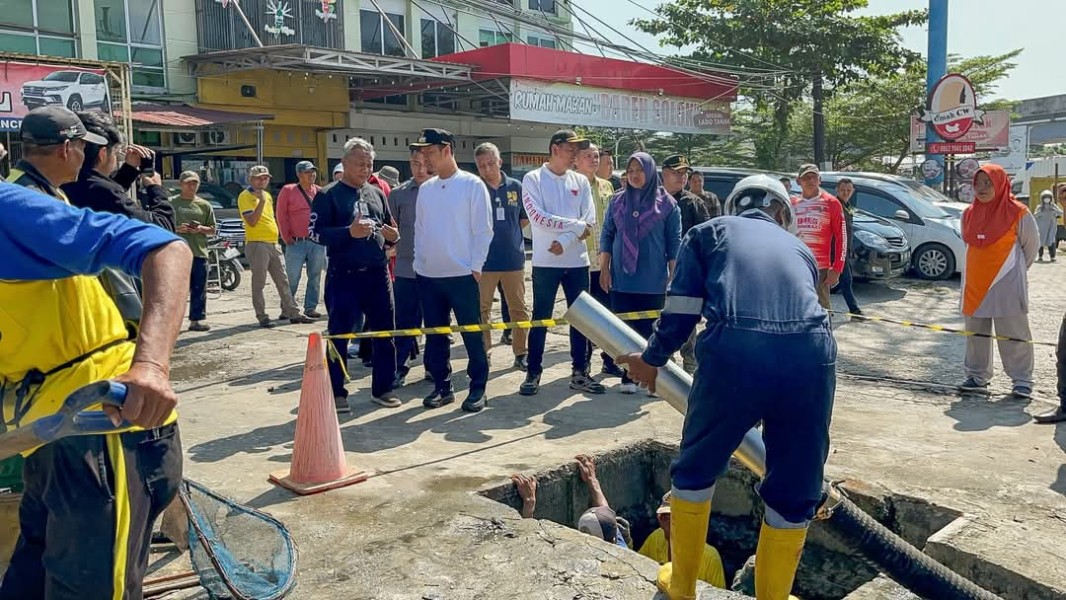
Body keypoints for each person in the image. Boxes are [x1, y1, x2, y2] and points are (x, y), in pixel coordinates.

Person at [616, 175, 836, 600]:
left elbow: (681, 310)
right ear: (782, 215)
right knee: (794, 486)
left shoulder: (708, 233)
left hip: (736, 352)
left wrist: (652, 360)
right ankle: (772, 595)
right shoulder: (801, 250)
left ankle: (681, 587)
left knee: (696, 471)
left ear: (733, 207)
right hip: (812, 357)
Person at [0, 181, 190, 600]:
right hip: (41, 429)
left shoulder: (9, 210)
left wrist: (152, 365)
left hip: (105, 424)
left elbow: (166, 249)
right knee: (30, 579)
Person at [310, 138, 401, 412]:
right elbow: (315, 233)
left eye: (369, 164)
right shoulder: (328, 195)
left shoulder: (377, 193)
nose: (365, 168)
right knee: (340, 335)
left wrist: (393, 236)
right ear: (345, 163)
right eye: (360, 163)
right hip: (344, 276)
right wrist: (347, 233)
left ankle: (383, 389)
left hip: (377, 274)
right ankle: (337, 392)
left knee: (386, 333)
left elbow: (389, 226)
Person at [412, 128, 494, 413]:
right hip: (429, 276)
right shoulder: (426, 189)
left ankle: (478, 387)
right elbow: (420, 231)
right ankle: (442, 386)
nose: (426, 160)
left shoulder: (471, 185)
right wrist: (418, 263)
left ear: (447, 150)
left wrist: (475, 267)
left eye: (431, 153)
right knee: (435, 336)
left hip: (462, 275)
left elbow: (483, 230)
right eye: (423, 154)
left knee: (472, 335)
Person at [520, 130, 606, 397]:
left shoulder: (580, 181)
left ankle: (581, 372)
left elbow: (589, 221)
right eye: (571, 150)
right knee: (541, 318)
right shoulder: (533, 178)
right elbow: (537, 217)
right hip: (546, 262)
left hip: (576, 261)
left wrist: (567, 240)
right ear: (556, 149)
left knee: (581, 319)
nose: (575, 155)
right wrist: (575, 227)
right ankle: (533, 372)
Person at [601, 153, 682, 394]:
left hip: (653, 277)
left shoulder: (667, 204)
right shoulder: (617, 201)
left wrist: (673, 275)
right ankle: (628, 376)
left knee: (651, 329)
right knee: (624, 328)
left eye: (640, 170)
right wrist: (604, 268)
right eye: (631, 170)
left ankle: (651, 379)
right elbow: (607, 234)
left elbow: (674, 242)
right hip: (622, 277)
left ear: (650, 171)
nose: (635, 175)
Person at [958, 164, 1039, 398]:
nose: (981, 188)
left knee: (1014, 332)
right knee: (975, 334)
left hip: (1007, 283)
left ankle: (1021, 381)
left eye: (988, 183)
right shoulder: (968, 213)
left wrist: (1017, 272)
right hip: (975, 284)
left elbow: (1030, 247)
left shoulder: (1019, 212)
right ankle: (976, 377)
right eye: (978, 183)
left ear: (1000, 184)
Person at [59, 111, 174, 231]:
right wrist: (155, 188)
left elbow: (106, 201)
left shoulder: (60, 179)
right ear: (103, 154)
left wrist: (129, 169)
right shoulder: (101, 189)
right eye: (115, 152)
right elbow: (163, 226)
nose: (116, 158)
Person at [474, 142, 530, 371]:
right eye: (481, 166)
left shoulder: (516, 186)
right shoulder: (475, 188)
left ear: (500, 162)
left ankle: (521, 352)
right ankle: (484, 353)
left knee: (518, 308)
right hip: (483, 262)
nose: (487, 169)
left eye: (490, 163)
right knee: (482, 309)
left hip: (512, 260)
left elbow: (524, 218)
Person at [238, 165, 312, 328]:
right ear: (251, 180)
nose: (263, 181)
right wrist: (261, 201)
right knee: (259, 282)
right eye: (259, 178)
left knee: (283, 280)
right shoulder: (245, 196)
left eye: (265, 178)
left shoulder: (266, 195)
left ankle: (293, 312)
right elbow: (252, 221)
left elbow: (270, 218)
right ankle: (262, 315)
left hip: (272, 242)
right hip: (257, 243)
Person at [575, 142, 624, 378]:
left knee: (607, 314)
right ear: (576, 160)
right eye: (588, 156)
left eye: (596, 156)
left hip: (604, 261)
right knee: (584, 317)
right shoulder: (570, 185)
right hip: (579, 261)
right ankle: (583, 366)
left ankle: (609, 360)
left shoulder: (607, 186)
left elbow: (613, 223)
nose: (594, 160)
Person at [511, 455, 631, 549]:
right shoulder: (614, 543)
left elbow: (529, 548)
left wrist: (529, 504)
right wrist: (592, 481)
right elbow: (604, 513)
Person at [661, 155, 711, 374]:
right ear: (664, 173)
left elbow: (708, 239)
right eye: (677, 172)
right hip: (655, 271)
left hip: (686, 271)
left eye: (685, 173)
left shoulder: (693, 203)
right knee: (659, 316)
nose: (682, 177)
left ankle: (689, 362)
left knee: (686, 317)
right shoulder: (652, 200)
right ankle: (663, 358)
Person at [389, 148, 433, 385]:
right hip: (407, 269)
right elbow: (391, 227)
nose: (420, 168)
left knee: (436, 323)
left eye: (425, 163)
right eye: (415, 163)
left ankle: (434, 367)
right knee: (404, 322)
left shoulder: (442, 191)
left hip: (437, 270)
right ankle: (400, 367)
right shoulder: (399, 194)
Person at [638, 492, 726, 589]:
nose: (671, 524)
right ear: (659, 519)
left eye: (678, 518)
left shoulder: (710, 559)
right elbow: (635, 567)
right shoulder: (655, 539)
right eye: (665, 518)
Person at [792, 164, 846, 311]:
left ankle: (825, 334)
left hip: (820, 268)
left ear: (819, 180)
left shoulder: (832, 203)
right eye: (806, 178)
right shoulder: (792, 204)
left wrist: (837, 268)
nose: (810, 181)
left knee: (821, 309)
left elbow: (842, 237)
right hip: (795, 266)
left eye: (814, 177)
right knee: (796, 306)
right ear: (798, 181)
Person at [276, 160, 326, 318]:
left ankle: (310, 307)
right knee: (292, 277)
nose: (311, 174)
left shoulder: (320, 191)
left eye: (313, 171)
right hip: (296, 241)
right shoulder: (288, 190)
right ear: (298, 174)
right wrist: (285, 236)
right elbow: (281, 215)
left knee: (315, 275)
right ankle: (287, 308)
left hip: (316, 242)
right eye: (307, 172)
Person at [171, 170, 216, 332]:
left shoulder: (205, 205)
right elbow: (161, 225)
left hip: (199, 252)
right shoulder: (171, 203)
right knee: (175, 290)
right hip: (175, 254)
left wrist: (200, 229)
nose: (192, 186)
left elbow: (213, 229)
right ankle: (170, 322)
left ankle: (196, 320)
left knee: (199, 288)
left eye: (195, 183)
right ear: (181, 184)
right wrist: (177, 229)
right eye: (188, 182)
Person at [834, 178, 862, 315]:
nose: (846, 193)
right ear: (837, 190)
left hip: (845, 249)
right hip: (836, 249)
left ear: (853, 191)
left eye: (848, 190)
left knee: (842, 281)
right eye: (843, 190)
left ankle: (853, 309)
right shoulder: (835, 206)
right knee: (846, 279)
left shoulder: (847, 206)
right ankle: (854, 310)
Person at [1034, 189, 1062, 262]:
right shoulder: (1039, 207)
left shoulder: (1053, 206)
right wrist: (1041, 212)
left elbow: (1061, 213)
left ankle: (1052, 257)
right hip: (1042, 228)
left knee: (1051, 241)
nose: (1047, 199)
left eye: (1048, 197)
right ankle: (1040, 256)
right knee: (1041, 242)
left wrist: (1054, 211)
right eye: (1045, 197)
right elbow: (1034, 215)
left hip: (1051, 227)